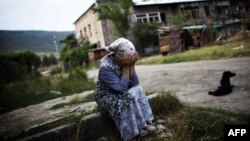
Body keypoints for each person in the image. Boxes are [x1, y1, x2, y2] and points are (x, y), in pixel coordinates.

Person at [95, 38, 155, 141]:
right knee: (128, 96)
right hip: (107, 97)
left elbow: (135, 84)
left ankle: (144, 124)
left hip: (119, 93)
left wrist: (132, 65)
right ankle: (131, 133)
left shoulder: (123, 62)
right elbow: (121, 89)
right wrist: (126, 66)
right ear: (118, 55)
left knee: (138, 89)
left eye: (131, 57)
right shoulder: (105, 68)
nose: (130, 58)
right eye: (129, 57)